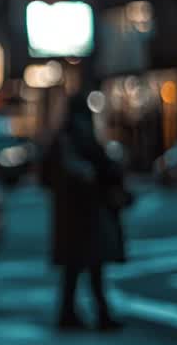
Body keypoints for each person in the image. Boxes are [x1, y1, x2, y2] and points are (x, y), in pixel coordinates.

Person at [42, 91, 130, 332]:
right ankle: (96, 315)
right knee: (92, 266)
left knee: (79, 268)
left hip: (72, 214)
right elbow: (103, 171)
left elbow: (45, 177)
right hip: (88, 212)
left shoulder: (62, 140)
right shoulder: (80, 139)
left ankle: (73, 314)